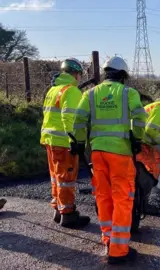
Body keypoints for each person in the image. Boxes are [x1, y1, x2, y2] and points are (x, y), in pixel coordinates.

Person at [70, 56, 147, 265]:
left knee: (103, 196)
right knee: (123, 198)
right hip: (120, 153)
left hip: (97, 152)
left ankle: (108, 239)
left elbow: (78, 120)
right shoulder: (128, 93)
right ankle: (119, 250)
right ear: (122, 75)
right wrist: (137, 138)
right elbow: (140, 118)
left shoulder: (90, 94)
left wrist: (78, 143)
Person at [40, 58, 90, 228]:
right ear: (76, 74)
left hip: (50, 141)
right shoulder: (72, 91)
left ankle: (58, 209)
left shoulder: (53, 90)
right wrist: (75, 140)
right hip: (63, 142)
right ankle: (68, 215)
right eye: (80, 75)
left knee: (56, 177)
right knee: (66, 178)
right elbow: (70, 118)